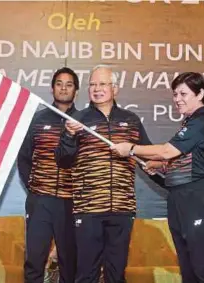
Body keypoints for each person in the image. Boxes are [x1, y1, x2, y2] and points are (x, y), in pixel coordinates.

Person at [111, 72, 204, 283]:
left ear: (200, 94)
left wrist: (132, 149)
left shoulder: (202, 119)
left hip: (199, 196)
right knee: (188, 268)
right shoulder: (189, 122)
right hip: (180, 197)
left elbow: (167, 151)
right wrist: (162, 167)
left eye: (183, 93)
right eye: (175, 94)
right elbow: (184, 158)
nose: (177, 99)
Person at [55, 65, 151, 283]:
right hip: (88, 210)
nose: (97, 89)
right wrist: (69, 136)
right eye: (92, 85)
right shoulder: (78, 120)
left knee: (116, 274)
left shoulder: (131, 120)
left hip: (121, 209)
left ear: (114, 88)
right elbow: (63, 160)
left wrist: (168, 177)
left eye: (102, 84)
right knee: (86, 274)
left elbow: (147, 158)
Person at [17, 67, 79, 283]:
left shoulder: (84, 122)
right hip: (40, 201)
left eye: (69, 84)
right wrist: (34, 188)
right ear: (52, 88)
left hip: (70, 202)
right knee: (34, 259)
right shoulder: (37, 119)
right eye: (59, 83)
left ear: (76, 91)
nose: (64, 88)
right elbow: (23, 158)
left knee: (69, 261)